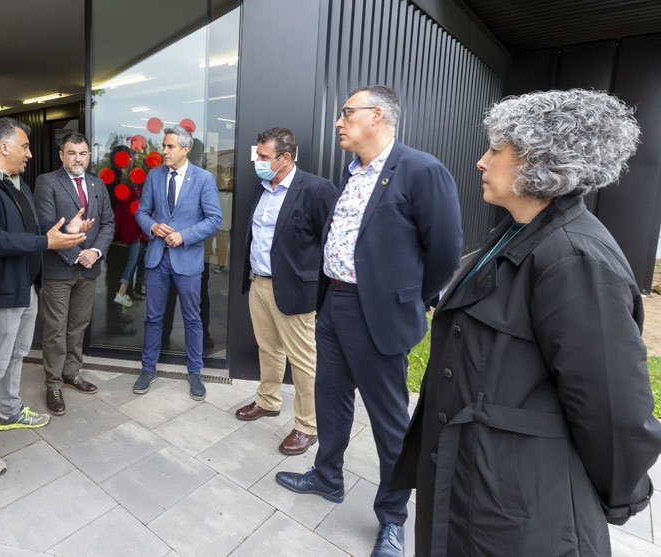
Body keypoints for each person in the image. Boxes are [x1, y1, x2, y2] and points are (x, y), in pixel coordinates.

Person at [391, 89, 661, 556]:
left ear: (541, 158)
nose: (481, 161)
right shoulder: (515, 232)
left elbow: (614, 409)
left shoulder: (573, 258)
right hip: (474, 482)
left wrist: (622, 497)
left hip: (516, 511)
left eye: (496, 149)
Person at [274, 85, 462, 557]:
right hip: (334, 305)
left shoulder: (421, 169)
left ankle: (393, 519)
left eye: (346, 113)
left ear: (377, 116)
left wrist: (409, 300)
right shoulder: (352, 172)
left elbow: (443, 253)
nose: (339, 122)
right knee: (329, 398)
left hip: (377, 315)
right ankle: (327, 476)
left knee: (388, 421)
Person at [0, 118, 90, 475]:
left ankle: (11, 412)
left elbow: (31, 232)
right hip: (3, 292)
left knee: (18, 353)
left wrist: (64, 231)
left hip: (25, 286)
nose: (30, 154)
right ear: (3, 147)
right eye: (25, 147)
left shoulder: (16, 183)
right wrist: (46, 242)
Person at [235, 128, 336, 455]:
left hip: (294, 291)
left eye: (263, 157)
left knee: (304, 361)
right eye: (258, 156)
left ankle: (308, 426)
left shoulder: (317, 189)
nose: (257, 163)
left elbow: (330, 245)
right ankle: (268, 400)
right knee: (268, 348)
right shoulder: (264, 187)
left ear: (286, 158)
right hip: (259, 283)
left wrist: (320, 293)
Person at [133, 126, 222, 400]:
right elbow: (141, 211)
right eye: (164, 146)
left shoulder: (204, 179)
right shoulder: (154, 175)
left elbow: (214, 219)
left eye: (170, 147)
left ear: (185, 149)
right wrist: (151, 226)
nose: (164, 151)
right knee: (153, 317)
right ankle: (148, 369)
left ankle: (195, 372)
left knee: (193, 318)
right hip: (157, 258)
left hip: (188, 259)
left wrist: (185, 235)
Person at [34, 133, 114, 415]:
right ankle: (53, 383)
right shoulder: (47, 181)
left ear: (89, 156)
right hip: (59, 267)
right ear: (61, 155)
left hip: (89, 267)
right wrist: (75, 252)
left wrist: (95, 252)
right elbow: (44, 223)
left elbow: (108, 223)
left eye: (82, 153)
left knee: (78, 325)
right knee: (55, 328)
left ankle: (71, 373)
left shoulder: (97, 184)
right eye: (71, 153)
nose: (77, 158)